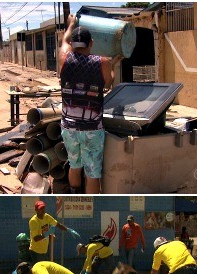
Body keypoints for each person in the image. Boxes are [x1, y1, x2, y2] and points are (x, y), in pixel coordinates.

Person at [58, 15, 122, 194]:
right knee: (93, 172)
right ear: (91, 43)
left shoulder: (63, 58)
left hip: (69, 126)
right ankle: (92, 205)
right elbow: (108, 83)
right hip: (92, 128)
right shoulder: (103, 62)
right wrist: (112, 66)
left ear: (73, 44)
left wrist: (71, 24)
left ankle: (75, 195)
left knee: (74, 164)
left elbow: (64, 39)